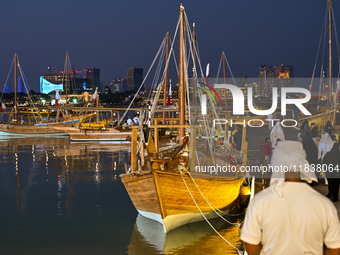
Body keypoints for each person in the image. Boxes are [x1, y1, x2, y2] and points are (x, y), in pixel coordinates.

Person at [241, 141, 340, 255]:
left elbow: (251, 247)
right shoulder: (324, 204)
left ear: (276, 163)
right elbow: (335, 250)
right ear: (302, 163)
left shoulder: (259, 202)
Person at [323, 137, 340, 202]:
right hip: (337, 173)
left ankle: (331, 193)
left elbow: (324, 161)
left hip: (329, 172)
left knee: (331, 183)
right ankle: (335, 196)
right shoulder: (339, 154)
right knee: (336, 185)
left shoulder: (328, 154)